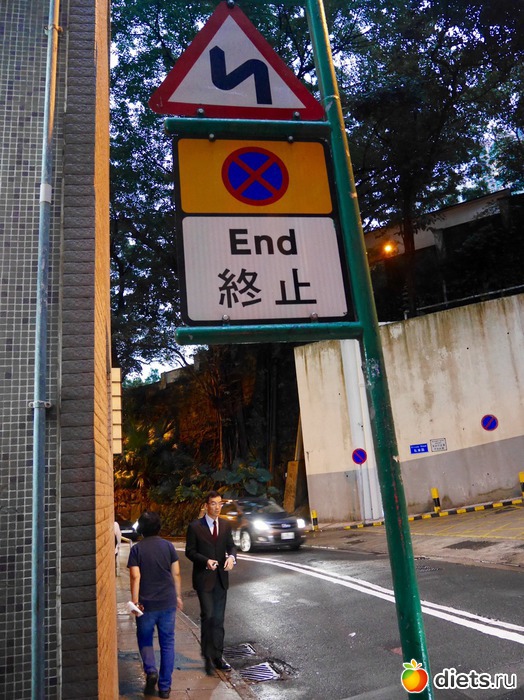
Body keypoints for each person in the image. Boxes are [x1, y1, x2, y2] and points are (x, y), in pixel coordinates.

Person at [128, 511, 183, 699]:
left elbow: (135, 576)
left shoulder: (137, 549)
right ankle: (165, 688)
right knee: (167, 643)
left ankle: (151, 671)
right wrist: (178, 596)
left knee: (145, 639)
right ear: (159, 527)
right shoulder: (168, 546)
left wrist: (135, 602)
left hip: (146, 605)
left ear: (141, 529)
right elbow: (176, 574)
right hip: (167, 602)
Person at [185, 491, 237, 676]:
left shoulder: (225, 525)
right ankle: (207, 657)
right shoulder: (195, 527)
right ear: (206, 506)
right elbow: (190, 552)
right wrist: (205, 561)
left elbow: (231, 546)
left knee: (219, 619)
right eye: (213, 504)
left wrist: (231, 558)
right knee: (208, 617)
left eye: (219, 504)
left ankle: (218, 657)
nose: (217, 507)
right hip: (204, 579)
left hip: (221, 579)